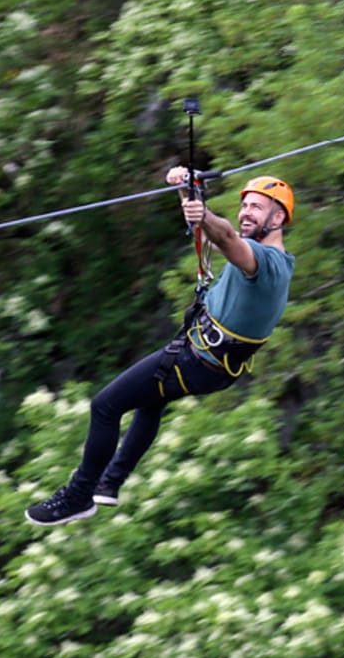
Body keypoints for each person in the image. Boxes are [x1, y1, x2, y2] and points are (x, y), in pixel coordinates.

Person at [25, 169, 297, 526]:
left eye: (257, 208)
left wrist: (204, 210)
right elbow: (215, 236)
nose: (246, 212)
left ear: (278, 218)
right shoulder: (254, 253)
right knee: (150, 401)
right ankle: (110, 483)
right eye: (244, 205)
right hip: (205, 361)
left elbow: (226, 237)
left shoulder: (269, 264)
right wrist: (187, 193)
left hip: (198, 361)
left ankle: (79, 495)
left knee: (105, 406)